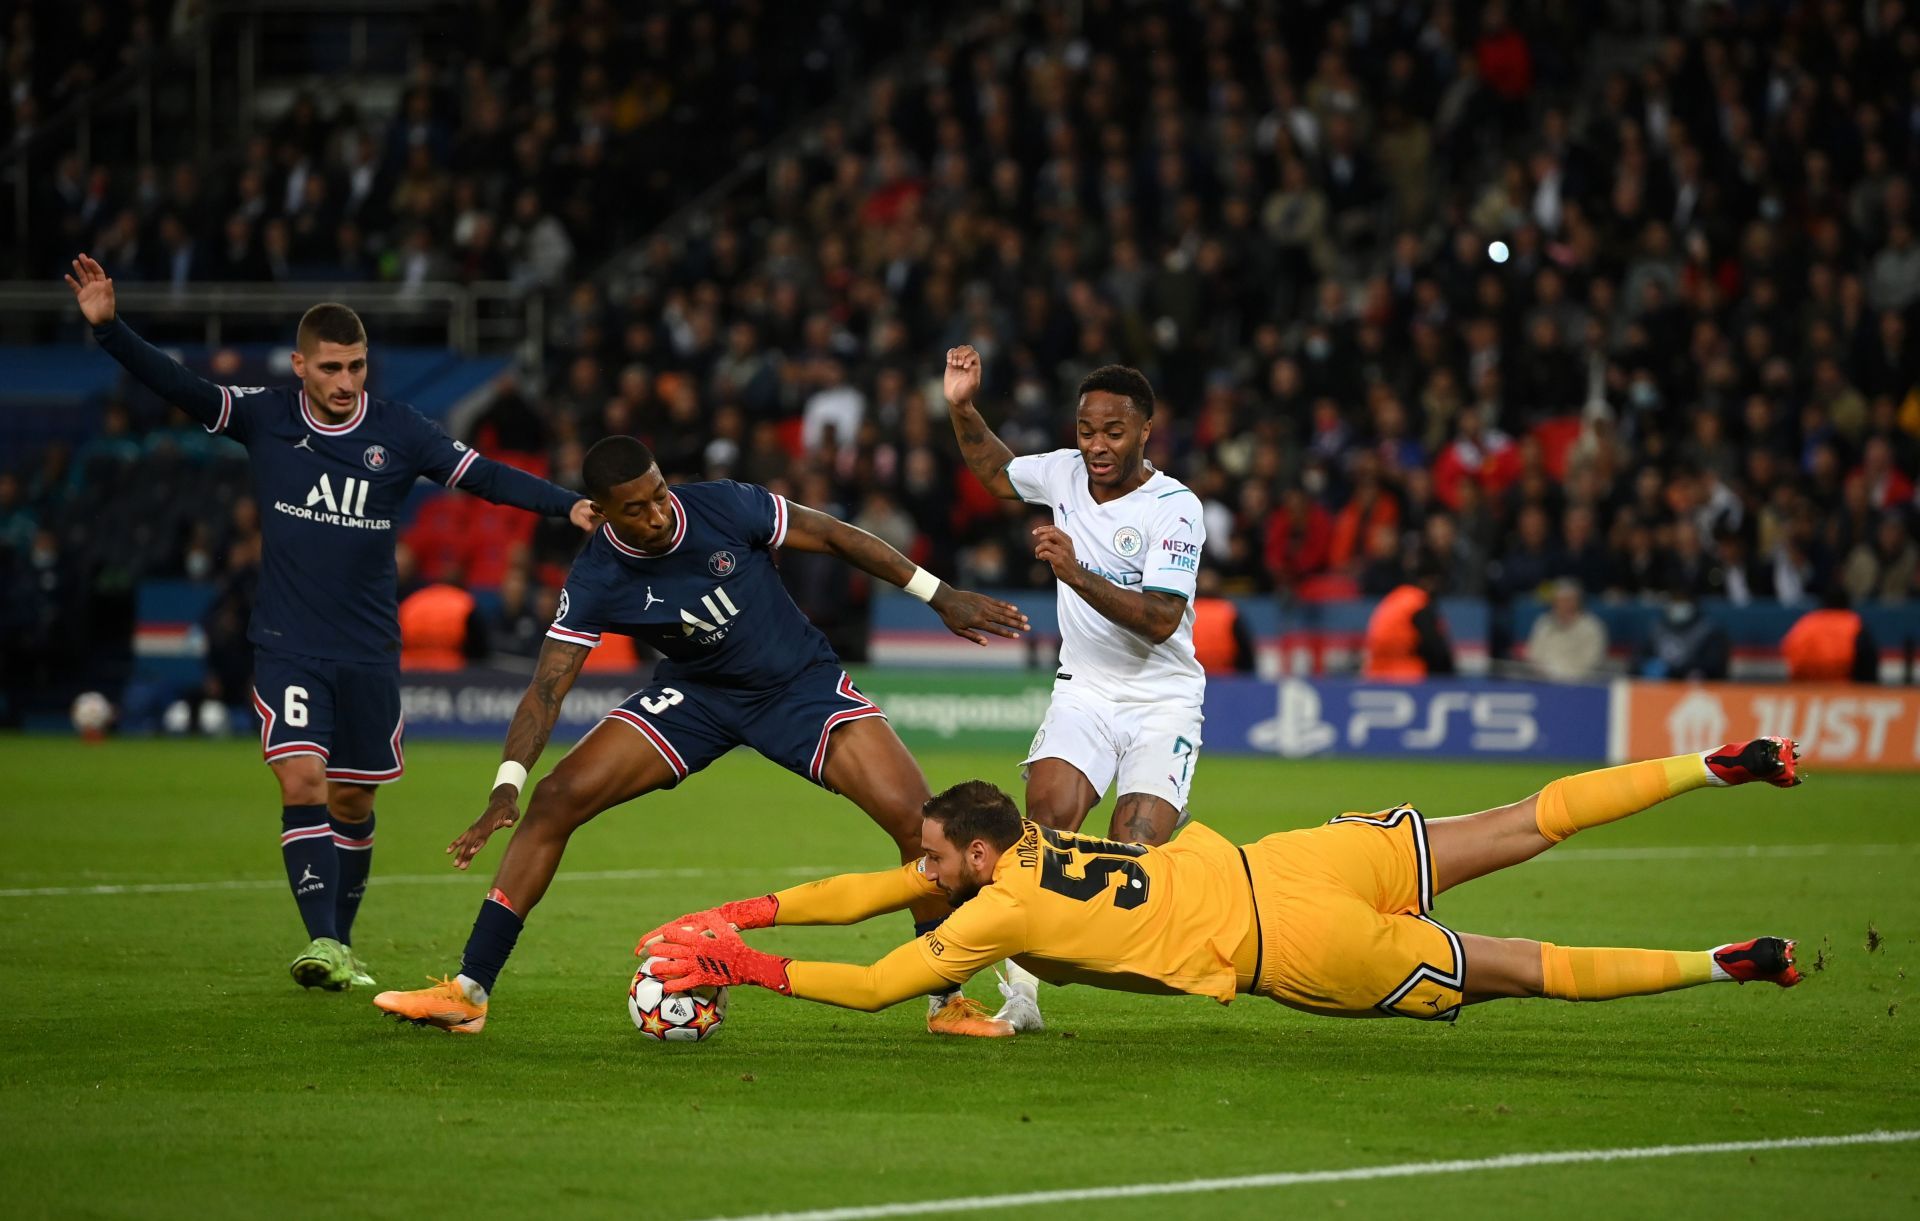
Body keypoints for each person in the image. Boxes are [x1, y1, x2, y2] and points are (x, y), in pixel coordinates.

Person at [372, 436, 1030, 1036]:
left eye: (659, 493)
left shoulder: (721, 505)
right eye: (635, 509)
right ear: (602, 513)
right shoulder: (598, 576)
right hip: (697, 698)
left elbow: (832, 535)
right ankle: (469, 990)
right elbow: (547, 687)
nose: (658, 514)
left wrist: (938, 593)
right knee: (554, 798)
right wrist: (504, 787)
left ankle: (945, 1001)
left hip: (798, 685)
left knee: (919, 824)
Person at [65, 253, 596, 992]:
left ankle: (337, 945)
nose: (347, 382)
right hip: (289, 645)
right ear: (300, 367)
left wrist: (565, 503)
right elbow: (179, 387)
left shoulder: (400, 431)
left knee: (353, 799)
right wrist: (110, 330)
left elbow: (485, 477)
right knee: (303, 778)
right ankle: (319, 935)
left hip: (369, 652)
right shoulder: (266, 416)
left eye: (357, 366)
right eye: (332, 368)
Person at [642, 739, 1806, 1032]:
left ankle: (1721, 963)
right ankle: (1710, 764)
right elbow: (871, 886)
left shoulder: (998, 905)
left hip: (1292, 952)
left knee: (1522, 971)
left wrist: (744, 960)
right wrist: (749, 905)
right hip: (1286, 861)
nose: (921, 875)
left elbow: (874, 983)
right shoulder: (1024, 852)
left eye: (934, 862)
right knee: (1516, 822)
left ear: (981, 859)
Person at [941, 346, 1206, 847]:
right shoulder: (1063, 471)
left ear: (1145, 431)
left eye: (1114, 433)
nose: (1097, 446)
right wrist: (962, 408)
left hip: (1162, 699)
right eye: (1086, 432)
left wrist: (1076, 572)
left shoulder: (1175, 507)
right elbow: (997, 473)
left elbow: (1162, 619)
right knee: (1041, 836)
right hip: (1085, 691)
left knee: (1133, 859)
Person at [1362, 567, 1455, 679]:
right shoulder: (1418, 603)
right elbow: (1434, 647)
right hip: (1408, 674)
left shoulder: (1394, 599)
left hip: (1375, 673)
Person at [1781, 587, 1880, 683]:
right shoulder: (1855, 624)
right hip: (1845, 692)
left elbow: (1788, 651)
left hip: (1803, 692)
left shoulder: (1805, 624)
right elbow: (1868, 667)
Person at [1525, 578, 1608, 681]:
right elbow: (1534, 653)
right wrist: (1546, 673)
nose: (1564, 604)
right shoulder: (1544, 623)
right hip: (1544, 680)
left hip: (1580, 681)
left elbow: (1594, 659)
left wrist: (1567, 675)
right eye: (1560, 600)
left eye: (1568, 600)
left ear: (1577, 602)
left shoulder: (1592, 626)